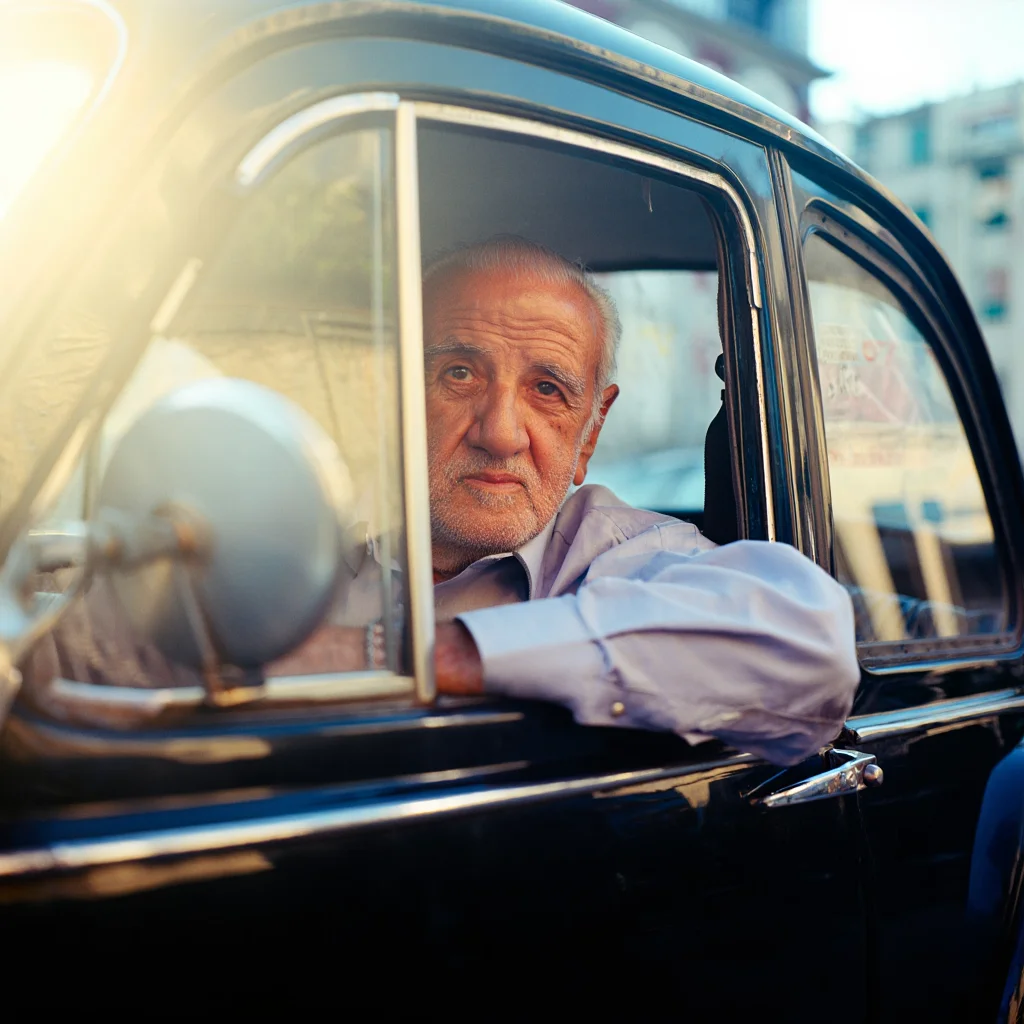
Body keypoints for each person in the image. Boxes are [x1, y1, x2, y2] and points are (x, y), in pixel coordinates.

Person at [29, 237, 860, 766]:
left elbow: (811, 644)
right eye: (458, 374)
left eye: (547, 390)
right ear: (394, 394)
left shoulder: (627, 558)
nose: (502, 432)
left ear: (591, 430)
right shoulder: (321, 549)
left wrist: (424, 654)